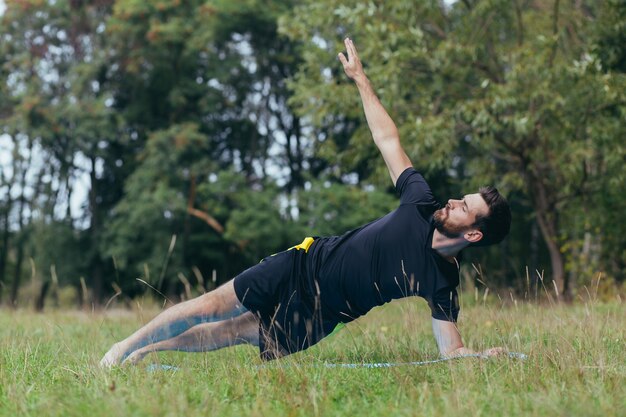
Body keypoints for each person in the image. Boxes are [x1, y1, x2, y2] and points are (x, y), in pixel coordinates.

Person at [100, 38, 511, 367]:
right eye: (461, 198)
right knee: (212, 305)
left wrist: (482, 356)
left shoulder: (442, 282)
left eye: (464, 206)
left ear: (474, 232)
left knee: (235, 331)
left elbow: (450, 352)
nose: (454, 201)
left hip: (322, 316)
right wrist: (361, 79)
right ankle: (123, 347)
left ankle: (149, 353)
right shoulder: (420, 202)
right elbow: (388, 140)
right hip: (304, 262)